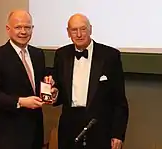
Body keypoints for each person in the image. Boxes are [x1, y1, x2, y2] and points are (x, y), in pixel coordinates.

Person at [52, 13, 129, 149]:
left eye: (83, 29)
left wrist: (118, 134)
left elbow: (119, 100)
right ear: (68, 32)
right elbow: (59, 91)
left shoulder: (110, 56)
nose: (79, 34)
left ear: (91, 29)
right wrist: (54, 94)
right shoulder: (61, 55)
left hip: (100, 128)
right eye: (74, 30)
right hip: (69, 128)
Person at [0, 10, 47, 149]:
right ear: (8, 29)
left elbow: (39, 86)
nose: (23, 31)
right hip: (10, 134)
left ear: (32, 29)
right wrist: (20, 102)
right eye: (18, 27)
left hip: (36, 131)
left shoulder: (38, 54)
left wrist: (51, 92)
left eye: (27, 27)